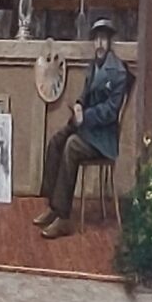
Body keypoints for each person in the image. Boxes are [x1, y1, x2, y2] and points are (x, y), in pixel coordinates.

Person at [37, 17, 129, 238]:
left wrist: (85, 116)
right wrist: (78, 104)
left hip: (103, 138)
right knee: (56, 141)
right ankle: (54, 206)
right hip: (87, 128)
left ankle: (64, 219)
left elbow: (110, 111)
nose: (99, 44)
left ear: (110, 42)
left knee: (71, 146)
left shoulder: (118, 72)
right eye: (96, 40)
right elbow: (85, 95)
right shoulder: (93, 67)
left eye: (103, 40)